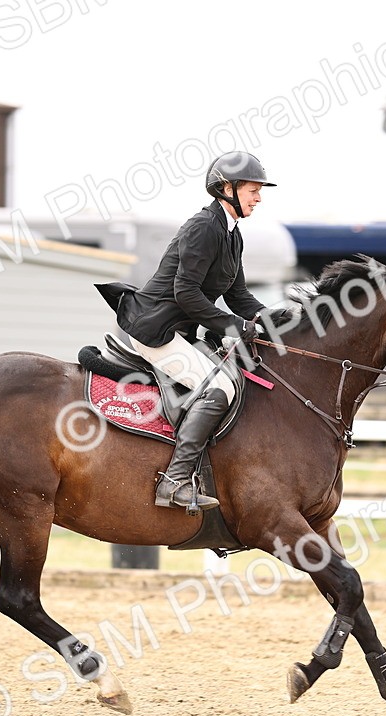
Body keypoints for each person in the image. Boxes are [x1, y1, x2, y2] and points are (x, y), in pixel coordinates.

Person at [96, 151, 294, 511]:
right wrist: (236, 327)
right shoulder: (203, 227)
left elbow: (238, 295)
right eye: (253, 190)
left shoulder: (232, 235)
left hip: (180, 331)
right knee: (219, 388)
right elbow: (185, 293)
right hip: (156, 330)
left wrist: (273, 319)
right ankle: (173, 481)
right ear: (227, 188)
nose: (259, 198)